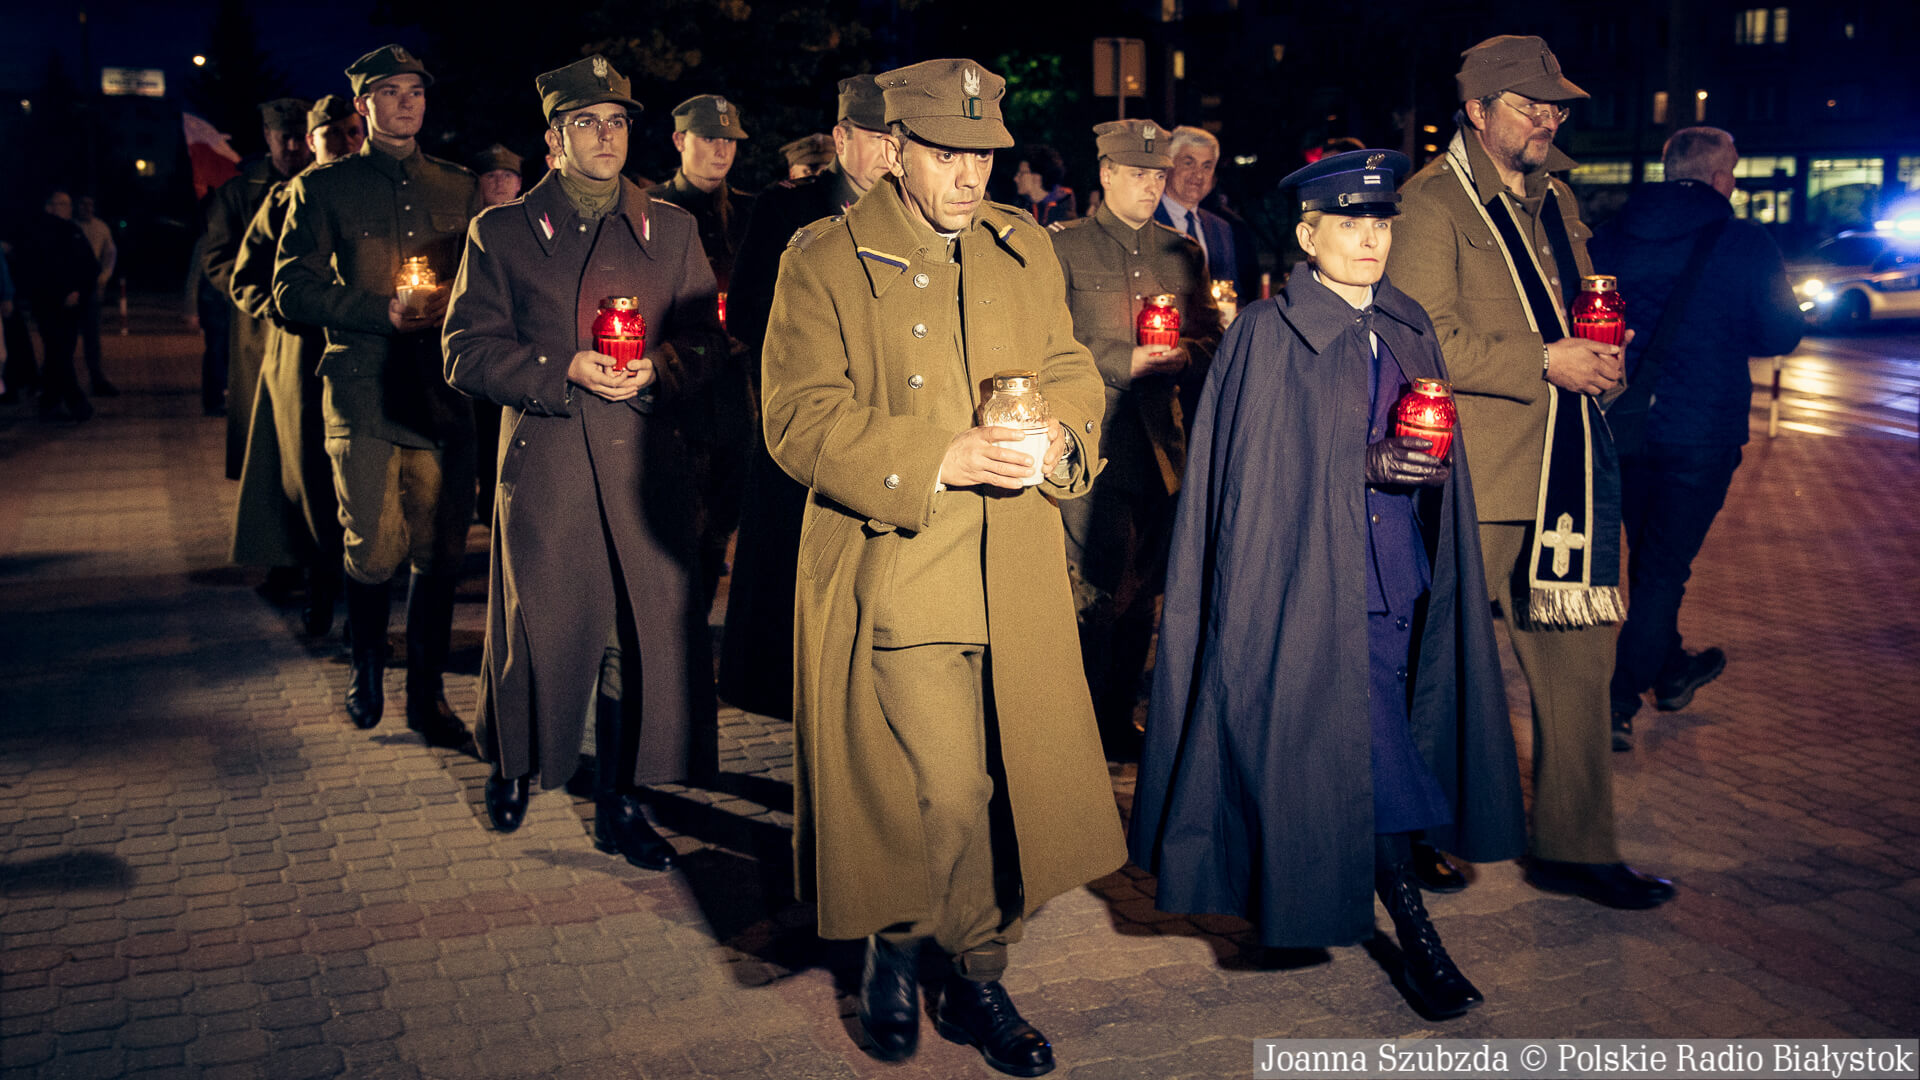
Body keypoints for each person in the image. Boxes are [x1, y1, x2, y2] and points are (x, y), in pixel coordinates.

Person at [762, 58, 1125, 1077]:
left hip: (1017, 568)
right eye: (946, 154)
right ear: (895, 152)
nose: (970, 176)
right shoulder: (825, 258)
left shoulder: (1022, 245)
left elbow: (1067, 366)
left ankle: (968, 970)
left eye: (984, 156)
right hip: (904, 566)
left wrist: (1059, 437)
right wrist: (940, 457)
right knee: (947, 790)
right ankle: (915, 950)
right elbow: (797, 417)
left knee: (1014, 786)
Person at [1131, 149, 1526, 1020]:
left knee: (1342, 751)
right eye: (1349, 224)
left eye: (1380, 223)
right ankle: (1418, 940)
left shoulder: (1408, 321)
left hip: (1399, 576)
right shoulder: (1266, 335)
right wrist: (1363, 462)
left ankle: (1303, 901)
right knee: (1362, 749)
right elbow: (1253, 481)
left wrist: (1424, 469)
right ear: (1308, 237)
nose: (1370, 240)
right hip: (1307, 583)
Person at [1387, 34, 1675, 909]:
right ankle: (1413, 831)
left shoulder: (1559, 201)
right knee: (1439, 669)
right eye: (1529, 104)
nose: (1548, 118)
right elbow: (1422, 337)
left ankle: (1576, 846)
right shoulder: (1431, 203)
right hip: (1479, 478)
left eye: (1555, 106)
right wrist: (1546, 361)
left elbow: (1573, 311)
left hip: (1567, 475)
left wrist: (1600, 356)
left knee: (1580, 670)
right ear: (1477, 111)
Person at [444, 54, 722, 861]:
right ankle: (513, 759)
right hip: (551, 463)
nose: (605, 136)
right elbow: (463, 351)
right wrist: (558, 367)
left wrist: (659, 368)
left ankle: (619, 802)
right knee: (538, 628)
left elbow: (708, 340)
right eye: (586, 122)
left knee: (632, 640)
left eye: (617, 121)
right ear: (554, 138)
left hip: (645, 467)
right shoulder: (501, 232)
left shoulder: (672, 229)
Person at [272, 44, 479, 749]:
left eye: (415, 91)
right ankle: (366, 663)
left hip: (442, 393)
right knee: (372, 545)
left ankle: (427, 696)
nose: (406, 103)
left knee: (440, 550)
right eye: (390, 92)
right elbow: (289, 289)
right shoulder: (325, 189)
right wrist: (375, 310)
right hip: (363, 389)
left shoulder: (458, 186)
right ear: (363, 105)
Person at [1590, 126, 1804, 749]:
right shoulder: (1744, 241)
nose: (1733, 181)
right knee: (1663, 570)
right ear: (1717, 178)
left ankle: (1672, 668)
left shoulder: (1610, 236)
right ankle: (1618, 702)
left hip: (1624, 425)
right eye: (1732, 170)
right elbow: (1781, 333)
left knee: (1649, 558)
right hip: (1701, 431)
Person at [718, 73, 892, 721]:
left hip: (881, 419)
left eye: (897, 139)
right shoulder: (788, 209)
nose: (889, 153)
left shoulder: (910, 211)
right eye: (875, 138)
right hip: (807, 414)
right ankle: (786, 691)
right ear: (841, 139)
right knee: (789, 565)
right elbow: (747, 313)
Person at [1047, 118, 1222, 758]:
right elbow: (1048, 343)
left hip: (1160, 446)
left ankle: (1117, 721)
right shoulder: (1064, 248)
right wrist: (1125, 360)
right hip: (1093, 444)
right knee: (1092, 590)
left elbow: (1212, 337)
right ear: (1106, 174)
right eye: (1138, 174)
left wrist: (1185, 357)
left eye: (1158, 174)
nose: (1152, 186)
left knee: (1143, 592)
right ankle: (1077, 728)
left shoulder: (1182, 252)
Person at [229, 95, 366, 637]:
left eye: (353, 132)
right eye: (333, 134)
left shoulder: (374, 191)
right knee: (308, 474)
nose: (346, 143)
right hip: (301, 355)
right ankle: (320, 586)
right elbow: (246, 276)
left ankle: (360, 596)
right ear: (312, 141)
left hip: (362, 348)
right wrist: (282, 309)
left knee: (361, 475)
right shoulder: (288, 196)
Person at [652, 93, 756, 612]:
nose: (721, 150)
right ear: (679, 140)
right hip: (676, 393)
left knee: (720, 527)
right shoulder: (650, 210)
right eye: (709, 138)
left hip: (738, 393)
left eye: (729, 140)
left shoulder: (753, 212)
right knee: (675, 537)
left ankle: (693, 644)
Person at [208, 98, 313, 480]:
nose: (292, 147)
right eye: (284, 137)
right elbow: (217, 259)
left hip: (313, 321)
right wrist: (258, 297)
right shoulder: (238, 192)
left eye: (300, 137)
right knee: (261, 415)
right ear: (268, 136)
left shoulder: (327, 184)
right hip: (258, 324)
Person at [465, 142, 525, 524]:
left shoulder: (533, 228)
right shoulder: (467, 230)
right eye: (491, 175)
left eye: (508, 175)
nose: (500, 182)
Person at [17, 190, 98, 422]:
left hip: (71, 305)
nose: (68, 208)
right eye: (62, 204)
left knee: (59, 352)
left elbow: (89, 266)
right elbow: (37, 270)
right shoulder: (39, 234)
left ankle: (49, 399)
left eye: (68, 204)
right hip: (48, 305)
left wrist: (79, 291)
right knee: (58, 351)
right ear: (49, 207)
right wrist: (58, 293)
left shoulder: (73, 231)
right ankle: (75, 401)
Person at [1154, 127, 1259, 303]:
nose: (1198, 175)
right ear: (1168, 166)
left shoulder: (1221, 228)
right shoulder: (1146, 221)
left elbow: (1234, 295)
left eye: (1207, 166)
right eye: (1189, 163)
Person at [74, 195, 118, 397]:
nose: (87, 208)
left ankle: (96, 377)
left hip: (91, 285)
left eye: (90, 204)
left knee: (92, 335)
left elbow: (110, 253)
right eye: (83, 204)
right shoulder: (72, 227)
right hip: (72, 284)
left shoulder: (100, 228)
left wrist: (103, 277)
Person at [1013, 144, 1075, 225]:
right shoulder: (1021, 207)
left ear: (1037, 177)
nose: (1015, 178)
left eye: (1021, 173)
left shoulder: (1064, 213)